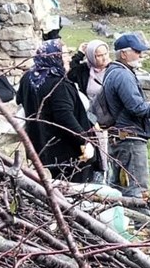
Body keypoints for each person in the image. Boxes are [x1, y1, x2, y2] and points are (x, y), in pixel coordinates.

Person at [17, 39, 99, 183]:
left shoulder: (28, 78)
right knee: (71, 191)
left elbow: (19, 100)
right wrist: (85, 141)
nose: (68, 58)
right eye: (64, 54)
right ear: (54, 56)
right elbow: (64, 116)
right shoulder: (58, 84)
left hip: (39, 147)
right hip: (67, 154)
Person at [100, 33, 150, 197]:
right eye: (137, 51)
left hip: (118, 140)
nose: (140, 55)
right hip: (130, 142)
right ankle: (140, 215)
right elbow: (137, 107)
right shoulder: (123, 75)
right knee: (137, 192)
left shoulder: (112, 72)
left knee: (119, 191)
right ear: (123, 54)